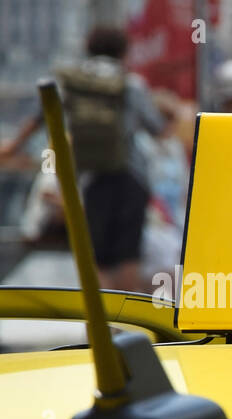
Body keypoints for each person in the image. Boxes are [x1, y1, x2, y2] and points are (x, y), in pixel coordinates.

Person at [47, 26, 167, 292]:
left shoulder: (75, 84)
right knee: (128, 255)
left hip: (92, 177)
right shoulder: (131, 84)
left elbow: (47, 116)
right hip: (131, 177)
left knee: (98, 258)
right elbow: (157, 128)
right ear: (123, 52)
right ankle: (126, 326)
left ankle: (103, 327)